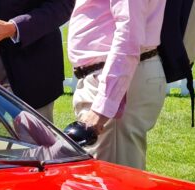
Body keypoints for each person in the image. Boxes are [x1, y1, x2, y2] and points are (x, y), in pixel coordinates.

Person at [66, 0, 168, 169]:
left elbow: (128, 36)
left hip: (117, 75)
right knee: (109, 182)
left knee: (112, 184)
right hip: (115, 73)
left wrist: (102, 109)